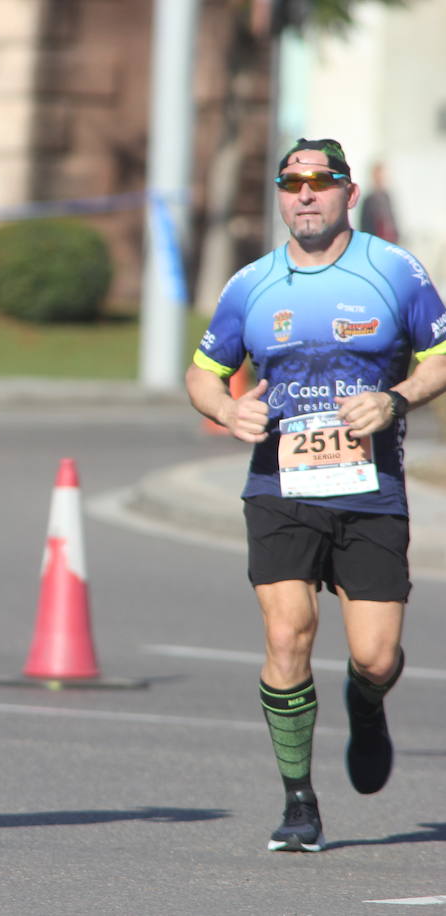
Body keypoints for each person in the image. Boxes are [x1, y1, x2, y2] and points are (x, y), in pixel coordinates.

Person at [186, 137, 446, 853]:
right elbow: (204, 373)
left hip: (371, 489)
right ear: (279, 195)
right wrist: (225, 409)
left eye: (321, 183)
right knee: (285, 632)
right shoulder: (252, 284)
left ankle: (367, 706)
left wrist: (394, 400)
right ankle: (299, 801)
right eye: (292, 183)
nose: (305, 195)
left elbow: (440, 355)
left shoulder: (395, 271)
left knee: (376, 656)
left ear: (348, 195)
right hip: (280, 486)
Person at [357, 161, 399, 244]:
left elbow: (392, 219)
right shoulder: (368, 200)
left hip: (390, 242)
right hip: (374, 242)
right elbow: (364, 225)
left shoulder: (387, 197)